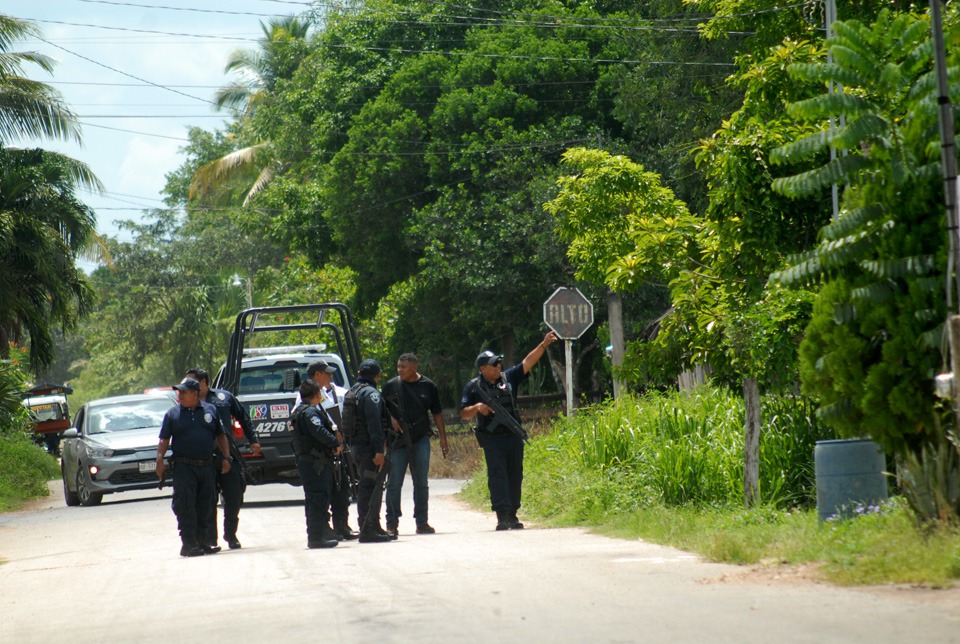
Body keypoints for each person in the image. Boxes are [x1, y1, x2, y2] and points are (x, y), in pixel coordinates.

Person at [461, 331, 558, 531]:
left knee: (515, 475)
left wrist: (543, 344)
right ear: (483, 368)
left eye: (499, 363)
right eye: (494, 364)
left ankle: (513, 514)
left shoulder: (508, 378)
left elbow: (527, 362)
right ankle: (501, 516)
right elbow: (463, 413)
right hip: (492, 439)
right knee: (498, 475)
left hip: (513, 436)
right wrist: (478, 407)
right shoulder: (473, 387)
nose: (498, 367)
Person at [185, 368, 261, 550]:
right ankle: (210, 539)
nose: (187, 387)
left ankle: (231, 534)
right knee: (207, 500)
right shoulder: (186, 403)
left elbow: (243, 416)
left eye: (191, 382)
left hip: (227, 454)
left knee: (234, 495)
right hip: (203, 459)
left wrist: (253, 440)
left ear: (203, 382)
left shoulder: (223, 397)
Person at [155, 377, 232, 557]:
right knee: (185, 505)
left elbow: (221, 436)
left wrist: (227, 457)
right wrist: (159, 459)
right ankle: (188, 543)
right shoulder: (172, 414)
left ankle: (203, 542)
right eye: (178, 392)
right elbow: (164, 439)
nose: (179, 395)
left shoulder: (210, 410)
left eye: (183, 392)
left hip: (206, 466)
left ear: (195, 394)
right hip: (184, 467)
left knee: (205, 505)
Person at [382, 353, 448, 536]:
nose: (399, 370)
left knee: (421, 483)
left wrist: (443, 437)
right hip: (398, 441)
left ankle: (422, 522)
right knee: (394, 483)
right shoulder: (391, 386)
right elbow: (380, 409)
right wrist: (391, 419)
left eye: (404, 367)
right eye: (398, 366)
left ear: (414, 368)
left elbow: (437, 413)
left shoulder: (428, 386)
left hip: (420, 440)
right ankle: (391, 524)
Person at [295, 360, 358, 541]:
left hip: (338, 449)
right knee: (322, 494)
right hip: (322, 453)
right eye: (326, 373)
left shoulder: (337, 392)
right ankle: (324, 530)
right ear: (317, 375)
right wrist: (332, 441)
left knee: (342, 489)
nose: (330, 376)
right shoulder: (306, 399)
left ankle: (342, 526)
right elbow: (311, 426)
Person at [291, 379, 342, 549]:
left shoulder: (300, 411)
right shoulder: (310, 413)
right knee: (318, 498)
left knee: (316, 498)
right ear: (318, 395)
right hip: (314, 462)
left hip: (310, 461)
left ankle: (319, 534)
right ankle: (316, 537)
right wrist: (335, 443)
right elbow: (318, 431)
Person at [350, 359, 394, 543]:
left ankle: (373, 526)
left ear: (359, 372)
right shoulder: (371, 394)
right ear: (377, 375)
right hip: (369, 449)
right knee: (370, 487)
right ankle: (368, 528)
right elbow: (374, 424)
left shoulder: (352, 392)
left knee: (368, 486)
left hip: (356, 447)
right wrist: (378, 451)